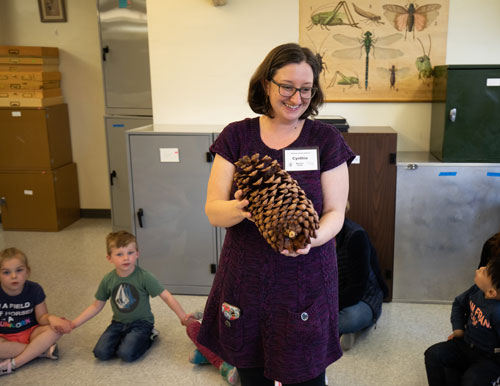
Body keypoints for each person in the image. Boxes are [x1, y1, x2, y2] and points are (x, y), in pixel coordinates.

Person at [197, 42, 355, 386]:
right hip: (247, 278)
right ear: (266, 83)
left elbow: (335, 213)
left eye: (306, 89)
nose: (296, 98)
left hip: (307, 277)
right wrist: (242, 207)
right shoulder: (236, 136)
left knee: (307, 373)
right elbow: (213, 210)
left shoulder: (325, 140)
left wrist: (310, 240)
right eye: (287, 87)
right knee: (251, 372)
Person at [70, 230, 192, 362]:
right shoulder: (108, 280)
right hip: (118, 323)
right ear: (109, 258)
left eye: (130, 253)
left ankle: (150, 336)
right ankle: (126, 340)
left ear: (137, 254)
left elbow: (166, 296)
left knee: (126, 354)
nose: (126, 258)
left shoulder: (144, 277)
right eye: (119, 254)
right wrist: (74, 324)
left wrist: (183, 317)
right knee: (100, 353)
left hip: (142, 323)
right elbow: (96, 306)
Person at [424, 256, 500, 386]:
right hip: (465, 343)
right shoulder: (476, 290)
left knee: (471, 382)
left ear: (491, 292)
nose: (480, 268)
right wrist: (458, 329)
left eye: (484, 271)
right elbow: (458, 304)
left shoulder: (497, 312)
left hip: (488, 358)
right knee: (433, 354)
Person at [0, 247, 72, 376]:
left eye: (19, 270)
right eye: (6, 272)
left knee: (55, 329)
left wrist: (52, 318)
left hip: (32, 332)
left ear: (28, 271)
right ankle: (42, 351)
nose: (13, 276)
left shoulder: (35, 289)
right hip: (4, 336)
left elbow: (41, 317)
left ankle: (14, 363)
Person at [335, 211, 389, 351]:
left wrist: (327, 309)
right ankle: (342, 331)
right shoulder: (312, 233)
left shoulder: (356, 235)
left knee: (350, 318)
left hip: (363, 297)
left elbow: (357, 288)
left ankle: (343, 328)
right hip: (331, 296)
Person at [185, 316, 239, 385]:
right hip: (217, 326)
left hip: (236, 334)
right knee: (192, 327)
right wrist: (195, 315)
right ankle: (219, 361)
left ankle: (207, 354)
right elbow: (208, 310)